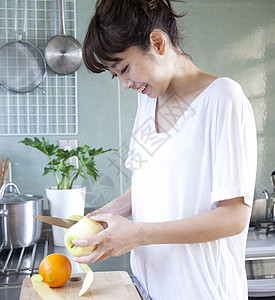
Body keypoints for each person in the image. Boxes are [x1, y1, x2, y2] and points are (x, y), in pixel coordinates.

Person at [72, 1, 257, 299]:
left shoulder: (223, 98)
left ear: (158, 43)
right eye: (115, 75)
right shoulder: (149, 99)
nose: (125, 84)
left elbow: (234, 216)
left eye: (125, 68)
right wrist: (108, 213)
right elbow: (152, 181)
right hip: (150, 288)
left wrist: (138, 235)